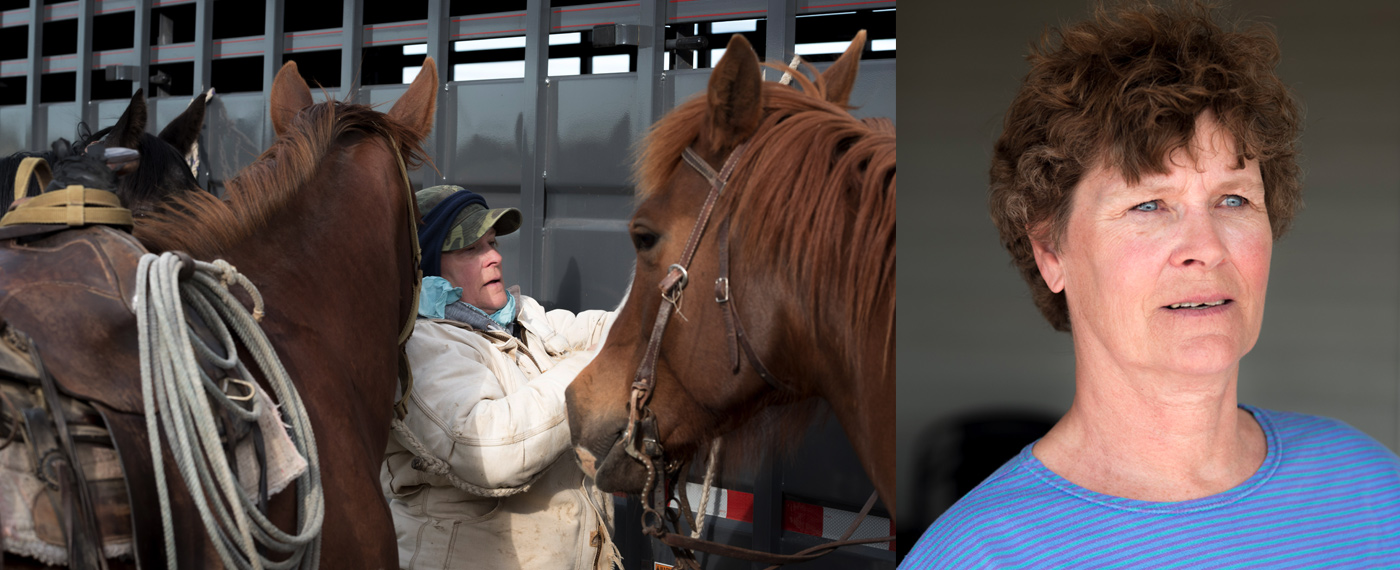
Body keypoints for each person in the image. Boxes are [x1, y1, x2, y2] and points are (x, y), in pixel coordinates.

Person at [902, 2, 1400, 568]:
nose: (1206, 246)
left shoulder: (1372, 492)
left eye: (1233, 199)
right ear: (1050, 252)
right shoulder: (979, 553)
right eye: (1149, 204)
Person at [382, 185, 620, 570]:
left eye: (492, 243)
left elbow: (609, 332)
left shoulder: (522, 318)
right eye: (470, 249)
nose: (494, 257)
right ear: (424, 264)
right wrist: (598, 368)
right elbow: (491, 452)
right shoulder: (419, 345)